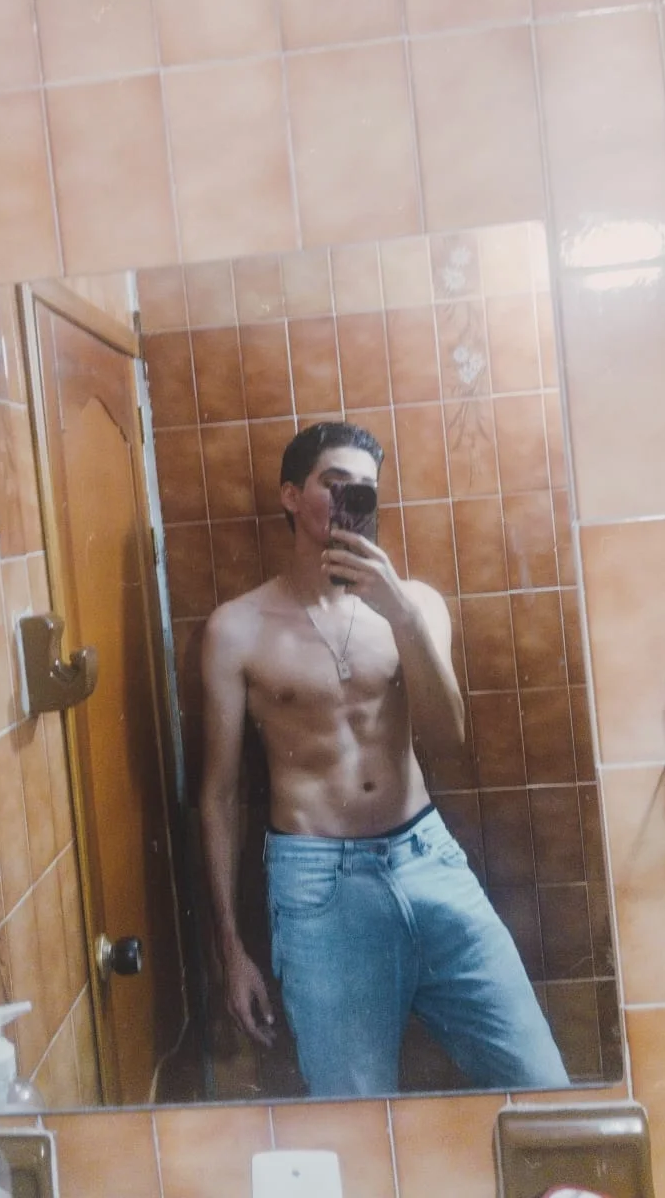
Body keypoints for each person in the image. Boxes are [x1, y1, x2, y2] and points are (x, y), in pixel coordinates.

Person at [199, 421, 569, 1097]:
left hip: (425, 856)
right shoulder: (237, 628)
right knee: (354, 1112)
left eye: (364, 489)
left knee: (540, 1082)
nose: (349, 500)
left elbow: (449, 739)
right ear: (290, 495)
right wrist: (231, 949)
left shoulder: (415, 605)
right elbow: (220, 794)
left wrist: (400, 614)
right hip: (317, 883)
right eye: (333, 484)